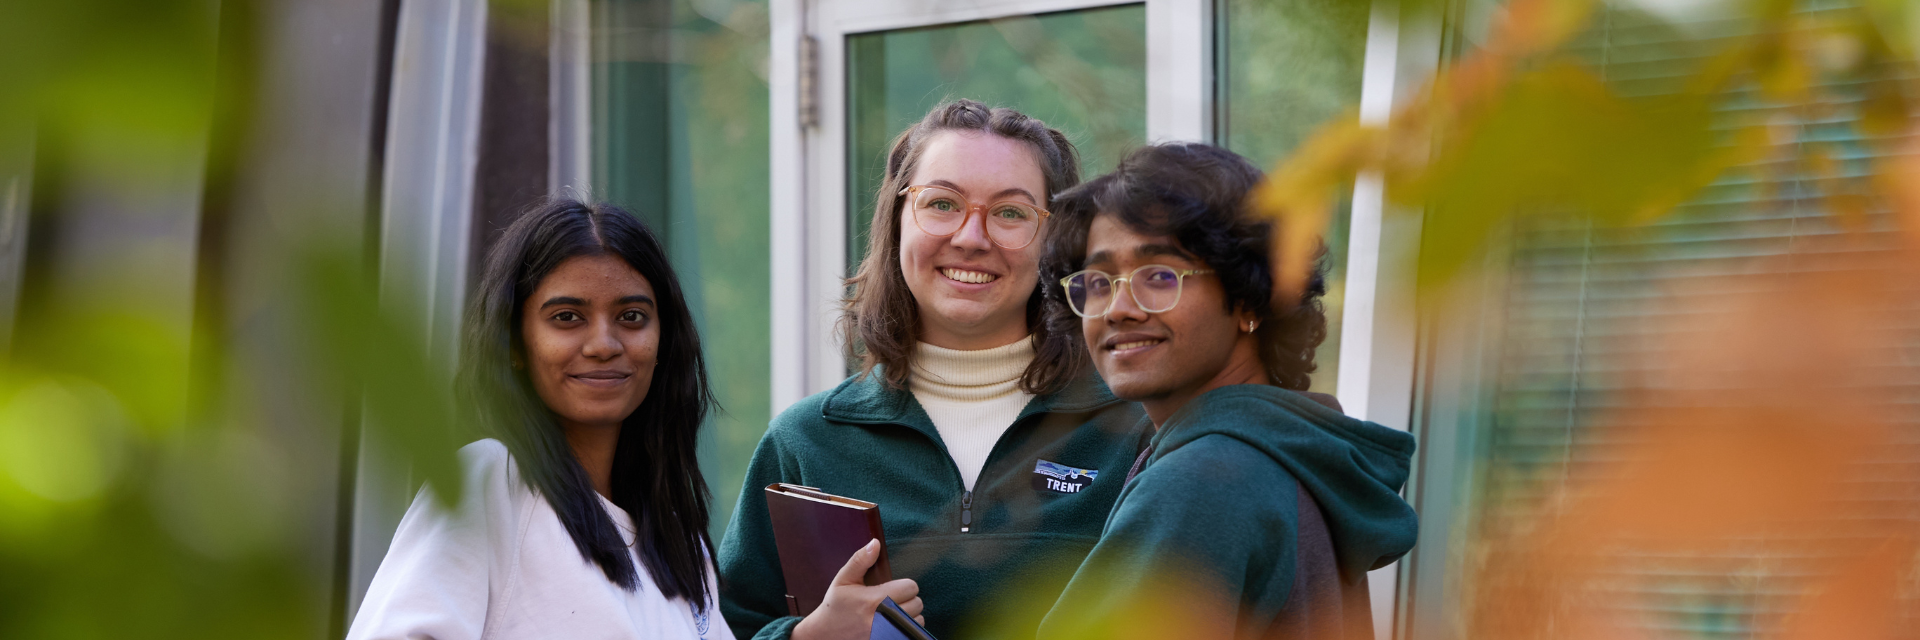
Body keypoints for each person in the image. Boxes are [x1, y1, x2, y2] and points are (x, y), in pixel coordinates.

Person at [718, 100, 1150, 640]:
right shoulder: (806, 442)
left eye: (1011, 213)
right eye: (942, 203)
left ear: (1056, 240)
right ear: (897, 221)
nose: (972, 237)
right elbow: (724, 629)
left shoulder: (1134, 429)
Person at [1034, 143, 1419, 640]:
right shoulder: (1290, 456)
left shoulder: (1202, 481)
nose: (1118, 308)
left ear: (1249, 299)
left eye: (1159, 276)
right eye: (1098, 281)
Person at [348, 199, 730, 640]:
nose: (603, 344)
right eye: (567, 318)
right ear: (514, 344)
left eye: (631, 317)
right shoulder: (492, 482)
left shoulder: (681, 542)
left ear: (664, 340)